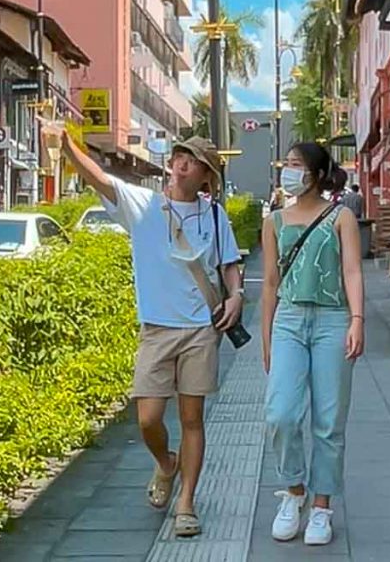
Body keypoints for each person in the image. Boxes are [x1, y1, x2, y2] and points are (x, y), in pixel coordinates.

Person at [61, 132, 244, 538]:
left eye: (193, 161)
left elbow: (229, 264)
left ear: (206, 177)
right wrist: (66, 146)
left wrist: (236, 296)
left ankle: (186, 503)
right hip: (157, 329)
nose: (183, 163)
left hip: (200, 328)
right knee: (148, 420)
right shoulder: (142, 205)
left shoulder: (214, 216)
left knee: (193, 418)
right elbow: (99, 178)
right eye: (180, 155)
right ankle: (165, 463)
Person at [260, 142, 365, 547]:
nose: (289, 171)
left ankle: (321, 507)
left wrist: (357, 319)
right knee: (281, 413)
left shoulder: (341, 217)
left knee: (328, 419)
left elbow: (352, 271)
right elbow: (269, 283)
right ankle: (293, 492)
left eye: (297, 165)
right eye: (286, 164)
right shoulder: (274, 221)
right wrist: (267, 337)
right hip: (288, 320)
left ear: (318, 174)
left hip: (333, 319)